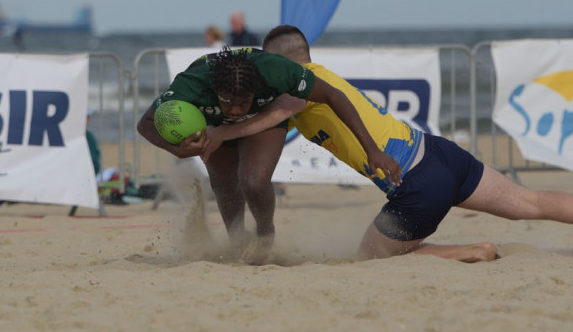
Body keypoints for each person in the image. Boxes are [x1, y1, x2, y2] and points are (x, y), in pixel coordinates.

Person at [200, 25, 573, 263]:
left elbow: (262, 124)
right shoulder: (325, 78)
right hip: (438, 152)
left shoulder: (296, 89)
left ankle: (471, 251)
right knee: (531, 202)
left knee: (369, 259)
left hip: (415, 182)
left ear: (282, 62)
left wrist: (220, 132)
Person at [136, 46, 401, 262]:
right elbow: (144, 124)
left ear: (257, 89)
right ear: (215, 91)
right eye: (228, 102)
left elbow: (334, 96)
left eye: (243, 102)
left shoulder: (276, 71)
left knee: (253, 180)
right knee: (224, 185)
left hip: (264, 119)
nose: (236, 111)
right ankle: (237, 241)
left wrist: (372, 150)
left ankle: (265, 235)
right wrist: (177, 150)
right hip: (213, 125)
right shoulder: (193, 84)